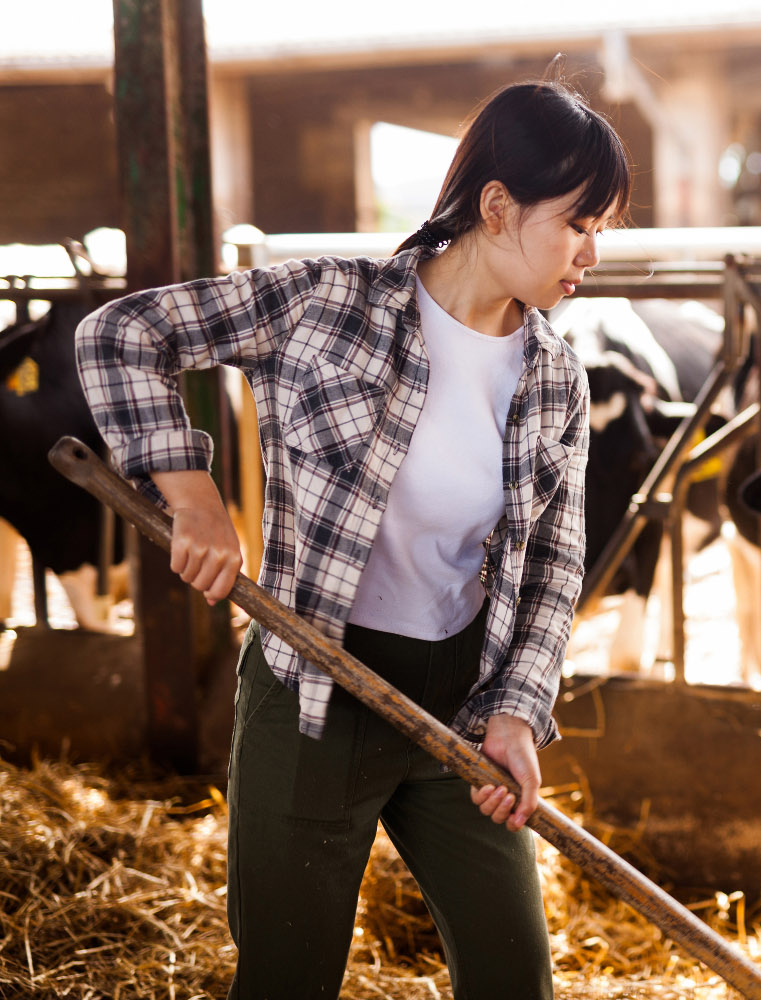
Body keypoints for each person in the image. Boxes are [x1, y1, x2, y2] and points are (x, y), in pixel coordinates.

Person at [75, 78, 630, 999]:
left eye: (603, 229)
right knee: (289, 974)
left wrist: (519, 712)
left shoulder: (556, 380)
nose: (591, 253)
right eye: (579, 223)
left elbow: (554, 566)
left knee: (514, 974)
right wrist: (194, 495)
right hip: (313, 694)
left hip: (459, 704)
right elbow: (122, 334)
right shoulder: (328, 304)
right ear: (498, 207)